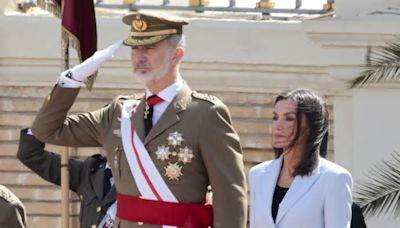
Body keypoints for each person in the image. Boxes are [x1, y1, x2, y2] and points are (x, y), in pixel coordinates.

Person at [31, 11, 247, 228]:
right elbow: (46, 130)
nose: (139, 56)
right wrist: (71, 79)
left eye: (149, 48)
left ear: (176, 54)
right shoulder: (119, 112)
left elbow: (230, 198)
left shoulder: (205, 114)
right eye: (135, 48)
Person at [249, 88, 353, 228]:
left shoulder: (334, 179)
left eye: (289, 118)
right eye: (275, 117)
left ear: (309, 127)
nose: (278, 126)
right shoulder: (258, 175)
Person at [17, 128, 116, 228]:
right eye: (102, 133)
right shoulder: (90, 169)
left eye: (113, 134)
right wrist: (48, 123)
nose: (103, 139)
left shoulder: (132, 176)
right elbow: (29, 154)